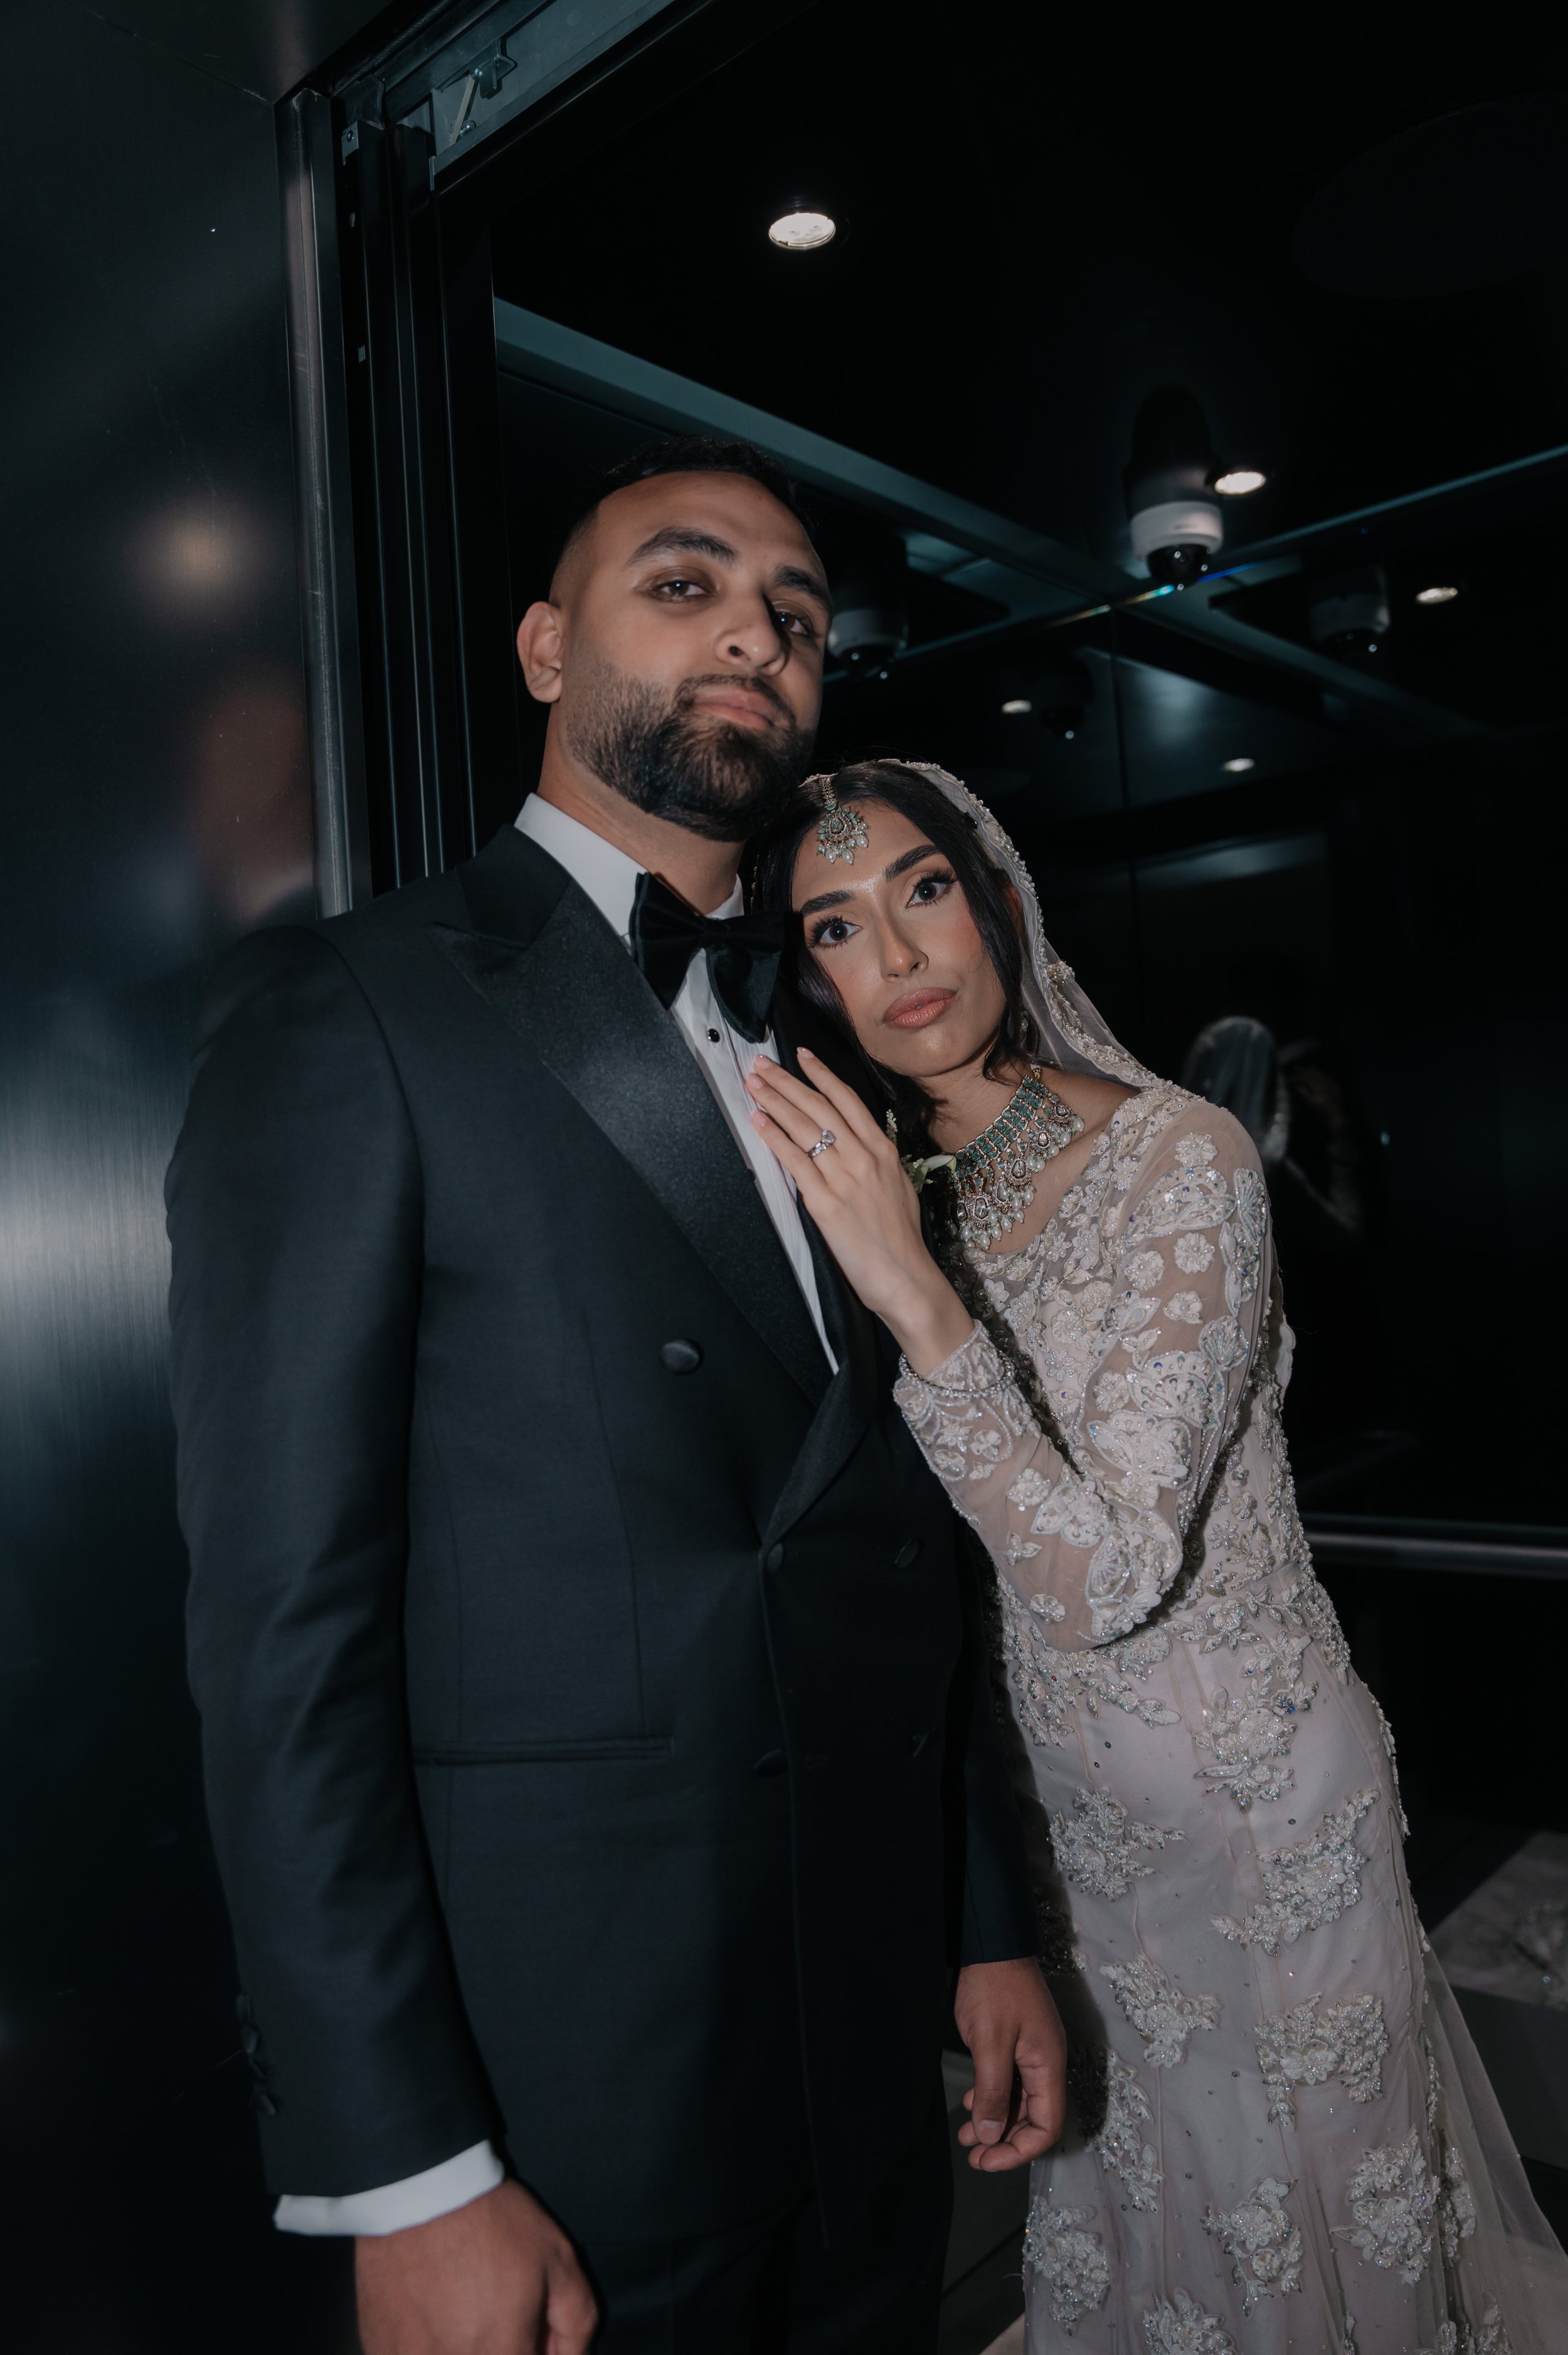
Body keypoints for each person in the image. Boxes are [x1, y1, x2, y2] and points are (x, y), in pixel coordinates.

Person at [164, 443, 1065, 2355]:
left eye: (799, 613)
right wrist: (404, 2169)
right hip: (565, 2100)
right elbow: (283, 1641)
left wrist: (982, 1912)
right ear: (543, 646)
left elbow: (898, 1541)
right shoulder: (353, 1014)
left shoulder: (844, 1048)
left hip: (858, 2066)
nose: (760, 625)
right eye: (686, 583)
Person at [746, 758, 1565, 2354]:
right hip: (1057, 1837)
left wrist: (915, 1301)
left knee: (1312, 2235)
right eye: (837, 923)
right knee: (1140, 2227)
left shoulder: (1174, 1158)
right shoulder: (865, 1195)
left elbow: (1110, 1571)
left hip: (1249, 1803)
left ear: (994, 899)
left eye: (922, 890)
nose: (900, 956)